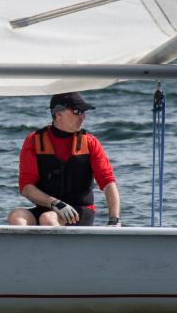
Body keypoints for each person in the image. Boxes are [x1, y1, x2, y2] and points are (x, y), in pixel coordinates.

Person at [8, 92, 121, 227]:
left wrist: (114, 220)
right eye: (77, 112)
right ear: (58, 114)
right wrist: (54, 203)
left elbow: (108, 183)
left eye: (83, 112)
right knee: (16, 216)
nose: (83, 117)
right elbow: (26, 187)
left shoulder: (90, 142)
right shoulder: (34, 141)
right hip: (48, 207)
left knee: (47, 218)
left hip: (80, 212)